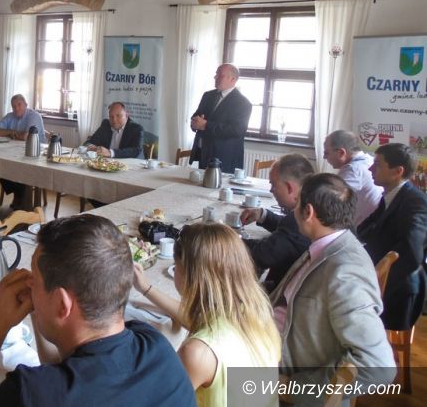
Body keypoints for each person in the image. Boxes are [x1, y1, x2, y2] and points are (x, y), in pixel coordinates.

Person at [0, 214, 196, 407]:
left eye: (35, 280)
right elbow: (72, 368)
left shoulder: (31, 393)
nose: (29, 284)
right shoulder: (155, 345)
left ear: (62, 304)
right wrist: (38, 307)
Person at [270, 173, 395, 405]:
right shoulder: (329, 244)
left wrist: (294, 387)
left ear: (308, 212)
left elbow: (377, 366)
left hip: (284, 383)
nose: (293, 210)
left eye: (297, 204)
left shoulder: (345, 273)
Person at [133, 222, 279, 406]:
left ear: (190, 276)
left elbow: (157, 400)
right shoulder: (256, 313)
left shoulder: (197, 353)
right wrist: (145, 288)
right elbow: (193, 319)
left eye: (176, 265)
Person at [357, 143, 427, 331]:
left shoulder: (415, 202)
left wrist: (374, 285)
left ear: (398, 171)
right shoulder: (391, 196)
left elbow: (412, 255)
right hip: (382, 284)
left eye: (377, 165)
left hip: (398, 292)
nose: (370, 169)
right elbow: (364, 231)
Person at [240, 154, 314, 290]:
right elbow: (288, 231)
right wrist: (263, 215)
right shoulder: (310, 209)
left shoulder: (297, 221)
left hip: (279, 292)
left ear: (289, 188)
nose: (271, 190)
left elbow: (261, 254)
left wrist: (229, 239)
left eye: (273, 185)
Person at [189, 63, 252, 173]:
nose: (215, 77)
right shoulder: (208, 96)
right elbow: (196, 116)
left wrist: (206, 125)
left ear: (232, 79)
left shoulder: (243, 103)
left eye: (220, 75)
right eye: (216, 74)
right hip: (204, 153)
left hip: (225, 158)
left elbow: (236, 130)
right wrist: (195, 123)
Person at [0, 94, 47, 210]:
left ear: (26, 104)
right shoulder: (10, 116)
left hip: (36, 154)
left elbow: (26, 136)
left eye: (19, 105)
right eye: (13, 106)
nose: (16, 108)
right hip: (15, 151)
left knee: (18, 167)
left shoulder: (33, 116)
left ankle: (21, 197)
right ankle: (19, 194)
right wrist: (12, 132)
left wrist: (8, 133)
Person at [323, 130, 382, 225]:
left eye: (326, 153)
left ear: (341, 153)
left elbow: (329, 202)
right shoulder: (369, 160)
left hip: (362, 229)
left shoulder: (353, 170)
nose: (324, 157)